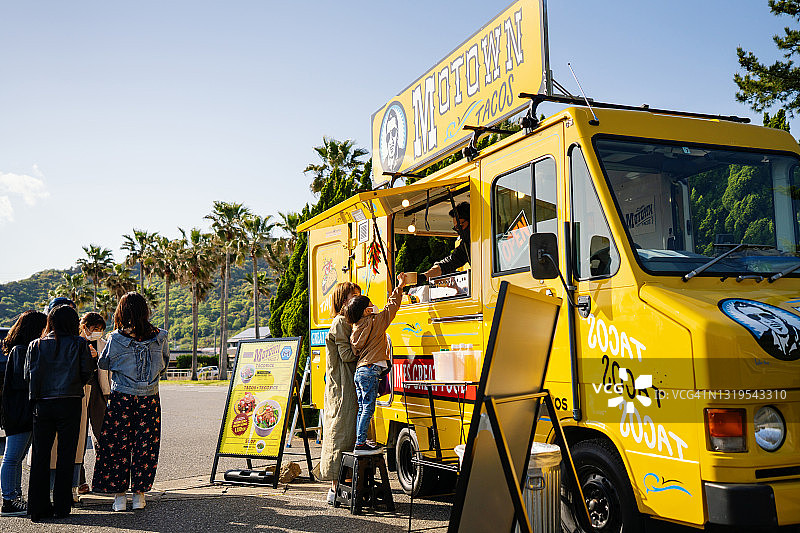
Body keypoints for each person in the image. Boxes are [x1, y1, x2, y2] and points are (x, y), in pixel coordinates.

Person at [92, 292, 169, 512]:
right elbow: (163, 364)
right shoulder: (161, 336)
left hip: (122, 399)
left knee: (117, 446)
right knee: (146, 446)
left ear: (122, 311)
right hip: (150, 398)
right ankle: (139, 495)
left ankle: (119, 497)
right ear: (145, 311)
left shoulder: (116, 339)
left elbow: (104, 363)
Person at [25, 305, 95, 521]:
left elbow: (28, 375)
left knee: (41, 456)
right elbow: (87, 373)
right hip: (70, 401)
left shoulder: (35, 344)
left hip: (42, 404)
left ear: (51, 322)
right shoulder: (80, 343)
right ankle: (62, 505)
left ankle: (37, 507)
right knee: (66, 455)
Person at [344, 273, 407, 453]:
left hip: (360, 371)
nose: (373, 306)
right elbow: (391, 308)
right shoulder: (376, 322)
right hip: (370, 370)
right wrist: (400, 287)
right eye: (370, 304)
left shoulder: (356, 328)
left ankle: (360, 440)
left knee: (363, 407)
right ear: (366, 310)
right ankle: (361, 444)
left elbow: (356, 349)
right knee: (368, 408)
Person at [0, 311, 47, 517]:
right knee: (11, 457)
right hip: (20, 412)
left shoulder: (18, 349)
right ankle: (9, 500)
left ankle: (15, 497)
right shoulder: (21, 350)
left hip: (18, 411)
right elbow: (23, 382)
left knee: (16, 457)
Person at [318, 282, 361, 504]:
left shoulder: (345, 321)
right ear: (344, 301)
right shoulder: (341, 322)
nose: (359, 300)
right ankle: (336, 488)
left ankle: (342, 486)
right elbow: (346, 355)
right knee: (340, 436)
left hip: (344, 387)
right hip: (342, 388)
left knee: (346, 434)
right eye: (355, 296)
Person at [78, 312, 110, 495]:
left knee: (103, 435)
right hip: (80, 391)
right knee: (79, 438)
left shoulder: (104, 344)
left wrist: (99, 357)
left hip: (99, 391)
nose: (97, 333)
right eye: (94, 329)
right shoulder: (75, 342)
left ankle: (103, 478)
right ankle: (80, 480)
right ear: (84, 327)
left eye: (100, 330)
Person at [731, 300, 800, 361]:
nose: (765, 321)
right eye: (756, 318)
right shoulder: (766, 338)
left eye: (766, 315)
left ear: (779, 317)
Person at [422, 201, 470, 279]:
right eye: (456, 228)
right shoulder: (465, 245)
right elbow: (446, 264)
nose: (459, 231)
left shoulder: (493, 237)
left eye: (460, 226)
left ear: (472, 220)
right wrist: (424, 276)